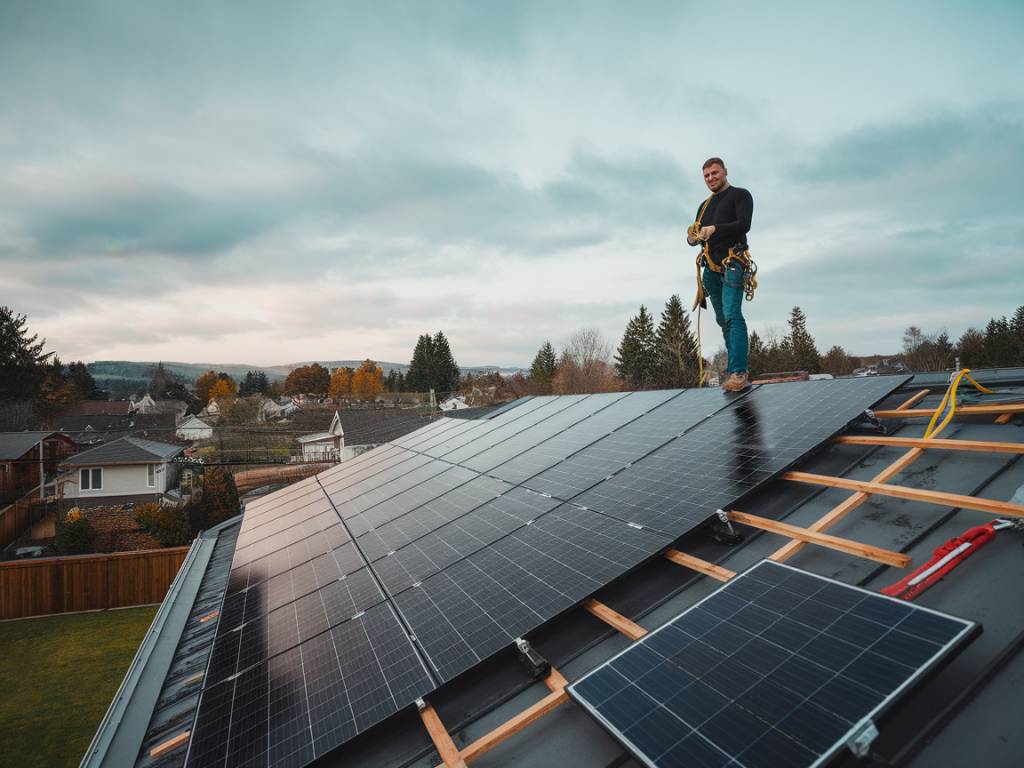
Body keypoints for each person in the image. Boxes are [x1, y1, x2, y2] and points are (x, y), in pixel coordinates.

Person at [687, 157, 754, 392]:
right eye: (706, 175)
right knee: (723, 320)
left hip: (732, 264)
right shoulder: (704, 206)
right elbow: (697, 235)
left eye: (714, 173)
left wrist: (714, 229)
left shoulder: (740, 195)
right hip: (711, 269)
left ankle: (738, 372)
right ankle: (735, 370)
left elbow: (743, 224)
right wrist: (692, 238)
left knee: (732, 315)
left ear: (725, 171)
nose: (711, 178)